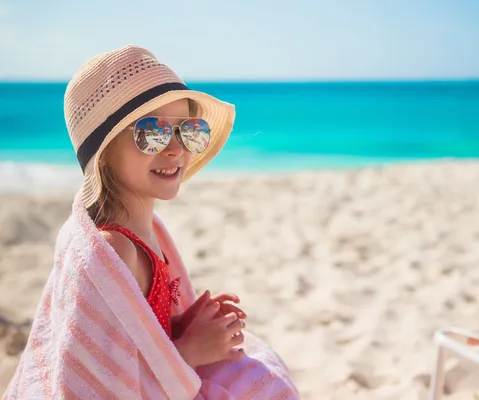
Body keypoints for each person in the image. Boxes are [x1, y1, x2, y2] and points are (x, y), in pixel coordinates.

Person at [2, 45, 299, 399]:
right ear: (105, 153)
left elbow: (133, 343)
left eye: (189, 130)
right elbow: (101, 383)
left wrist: (183, 326)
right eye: (152, 132)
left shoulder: (148, 231)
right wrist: (190, 350)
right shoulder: (113, 250)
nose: (175, 149)